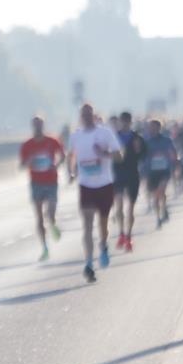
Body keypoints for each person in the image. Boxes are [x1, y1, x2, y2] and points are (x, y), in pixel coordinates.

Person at [68, 103, 122, 282]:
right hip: (86, 185)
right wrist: (71, 171)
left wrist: (104, 153)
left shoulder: (104, 133)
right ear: (80, 116)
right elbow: (71, 155)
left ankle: (104, 245)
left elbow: (119, 156)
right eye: (84, 114)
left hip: (104, 184)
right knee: (87, 225)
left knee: (103, 224)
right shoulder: (75, 136)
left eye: (89, 113)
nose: (87, 116)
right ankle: (89, 263)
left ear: (94, 114)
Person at [20, 115, 66, 260]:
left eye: (40, 124)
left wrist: (56, 165)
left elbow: (63, 155)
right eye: (35, 125)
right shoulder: (27, 145)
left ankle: (53, 224)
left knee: (50, 214)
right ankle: (45, 247)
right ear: (32, 126)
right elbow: (21, 165)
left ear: (43, 125)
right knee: (39, 217)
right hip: (36, 183)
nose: (38, 127)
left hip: (51, 181)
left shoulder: (52, 141)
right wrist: (29, 161)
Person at [111, 111, 146, 252]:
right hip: (118, 174)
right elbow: (108, 153)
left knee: (130, 208)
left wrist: (138, 151)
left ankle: (129, 236)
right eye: (123, 120)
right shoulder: (114, 137)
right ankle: (121, 233)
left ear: (130, 122)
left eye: (127, 121)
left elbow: (143, 154)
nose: (125, 123)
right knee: (119, 206)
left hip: (132, 174)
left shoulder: (137, 137)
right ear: (120, 121)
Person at [144, 119, 177, 228]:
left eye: (153, 127)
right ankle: (158, 217)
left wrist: (173, 163)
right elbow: (142, 157)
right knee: (156, 197)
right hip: (152, 172)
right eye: (150, 127)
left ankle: (164, 208)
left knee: (161, 190)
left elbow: (173, 153)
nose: (151, 129)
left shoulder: (167, 140)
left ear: (159, 128)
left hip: (164, 170)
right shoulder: (146, 141)